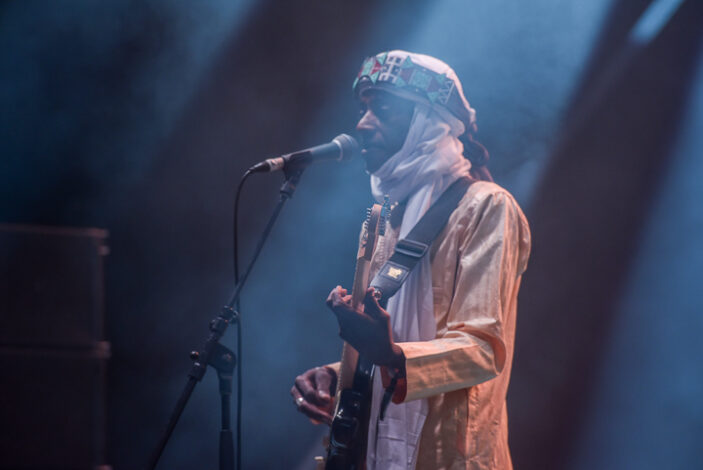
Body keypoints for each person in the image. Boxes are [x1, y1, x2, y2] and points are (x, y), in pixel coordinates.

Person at [291, 50, 531, 470]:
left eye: (382, 110)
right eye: (363, 110)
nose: (363, 124)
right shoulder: (386, 219)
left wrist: (388, 354)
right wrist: (338, 373)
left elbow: (483, 349)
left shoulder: (487, 207)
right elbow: (398, 342)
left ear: (428, 121)